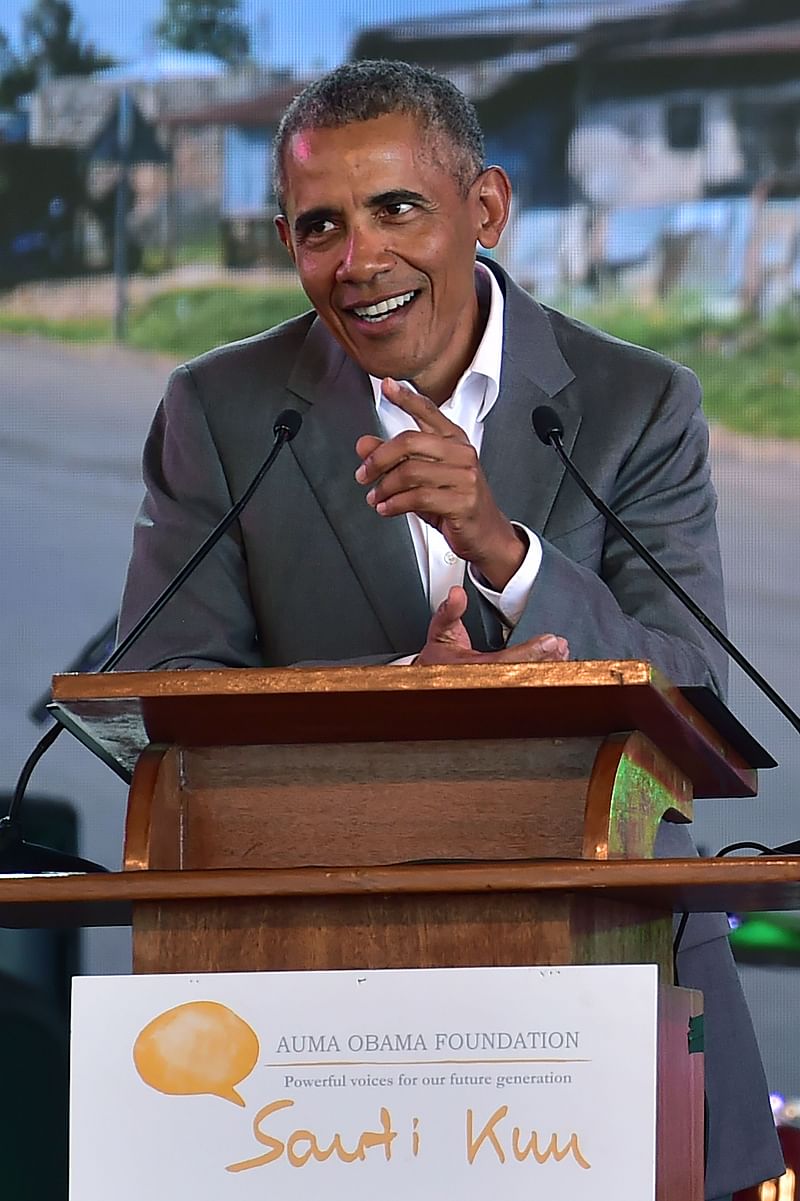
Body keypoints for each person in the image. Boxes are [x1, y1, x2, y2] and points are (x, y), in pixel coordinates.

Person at [117, 61, 783, 1197]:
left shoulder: (636, 405)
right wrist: (393, 694)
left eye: (396, 210)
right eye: (319, 225)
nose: (357, 260)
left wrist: (506, 553)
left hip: (616, 999)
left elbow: (691, 692)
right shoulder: (224, 410)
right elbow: (159, 697)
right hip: (317, 1045)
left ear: (485, 208)